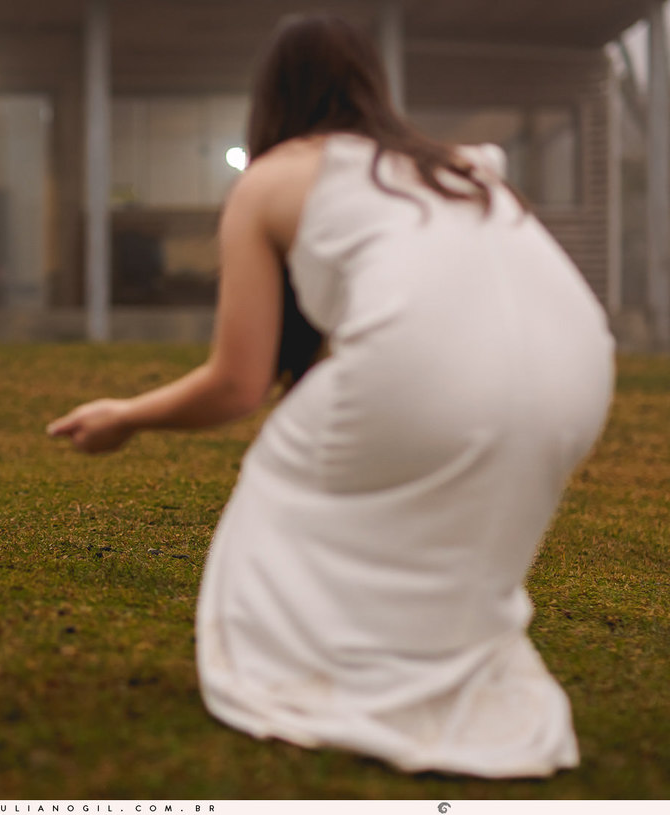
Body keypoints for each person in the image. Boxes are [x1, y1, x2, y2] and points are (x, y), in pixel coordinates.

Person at [46, 13, 614, 778]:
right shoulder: (459, 165)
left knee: (279, 485)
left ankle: (323, 677)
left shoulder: (273, 178)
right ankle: (434, 661)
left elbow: (238, 383)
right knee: (444, 512)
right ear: (370, 85)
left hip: (423, 369)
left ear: (272, 96)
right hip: (579, 372)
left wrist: (126, 416)